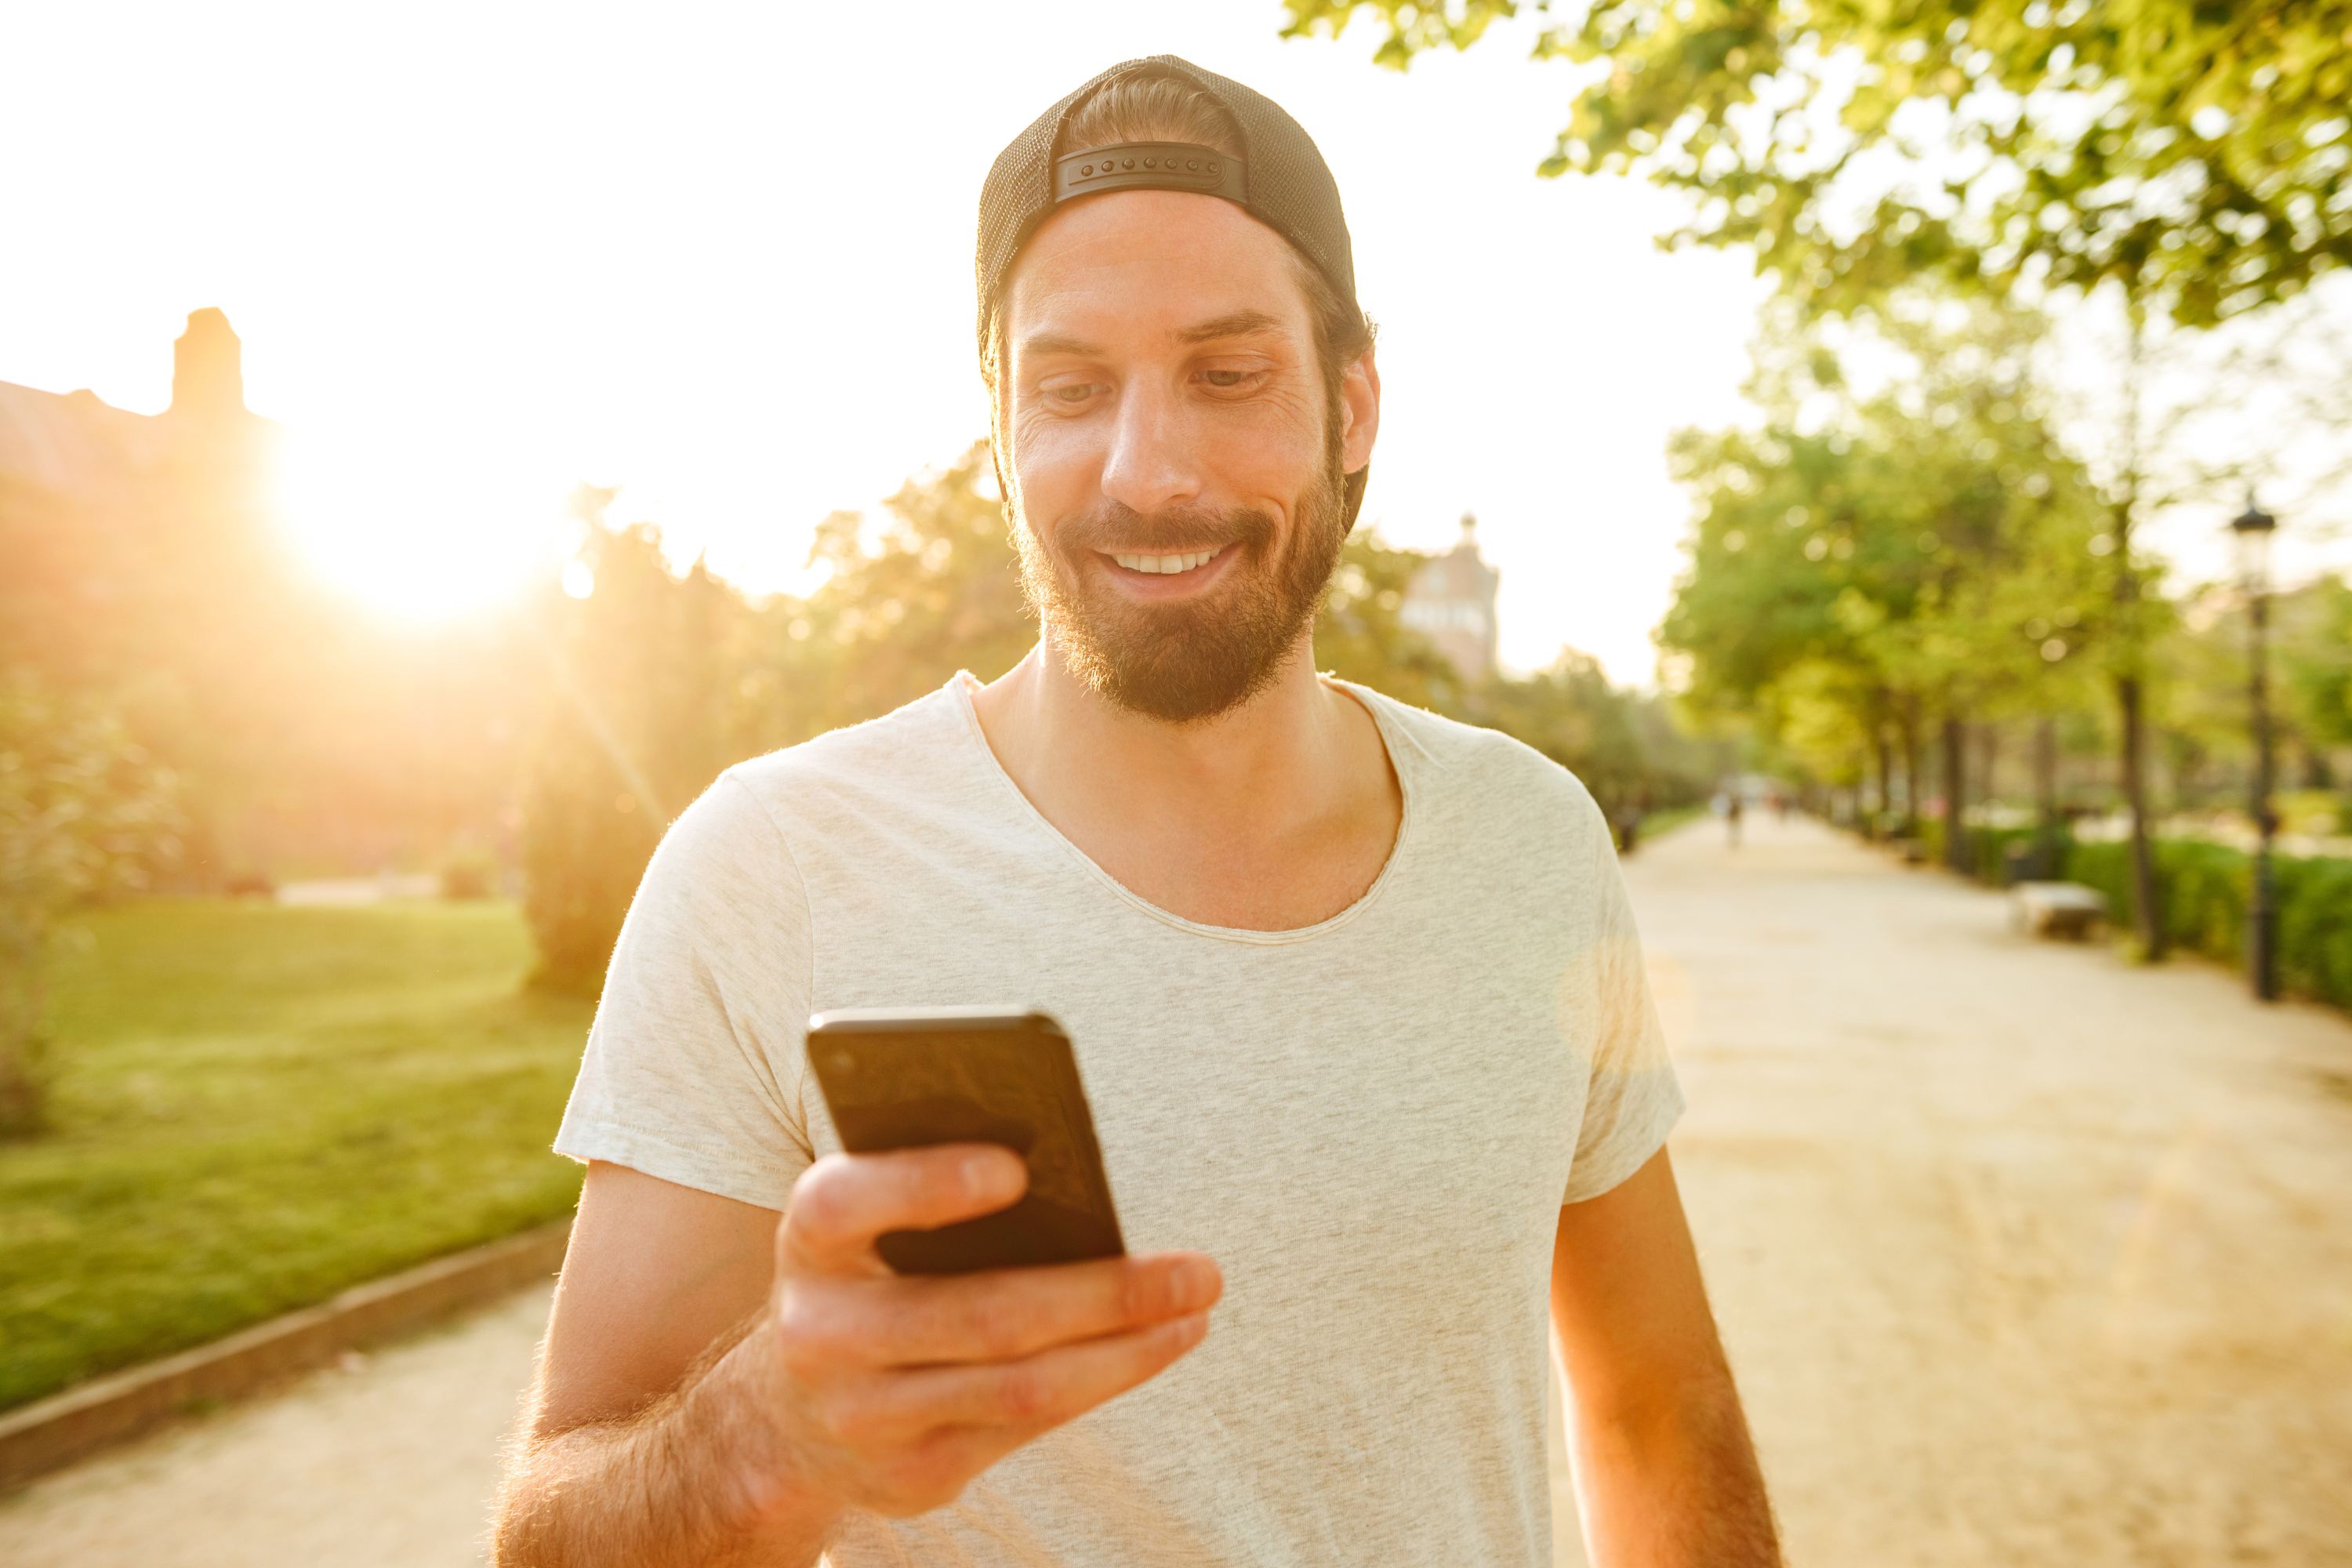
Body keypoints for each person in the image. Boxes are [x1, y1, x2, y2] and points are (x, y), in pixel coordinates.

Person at [493, 56, 1780, 1568]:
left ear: (1352, 405)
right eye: (1071, 387)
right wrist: (763, 1435)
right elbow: (556, 1538)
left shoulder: (1531, 842)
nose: (1147, 471)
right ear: (1000, 433)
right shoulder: (776, 865)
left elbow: (1656, 1408)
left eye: (1228, 375)